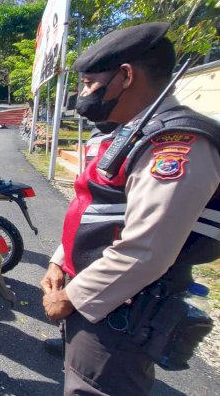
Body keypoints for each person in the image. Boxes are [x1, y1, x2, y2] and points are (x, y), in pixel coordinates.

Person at [39, 22, 220, 395]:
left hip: (122, 307)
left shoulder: (174, 143)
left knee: (92, 386)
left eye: (90, 83)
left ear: (125, 76)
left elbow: (146, 250)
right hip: (97, 291)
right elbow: (94, 205)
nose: (84, 94)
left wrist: (70, 296)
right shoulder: (127, 131)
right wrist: (61, 259)